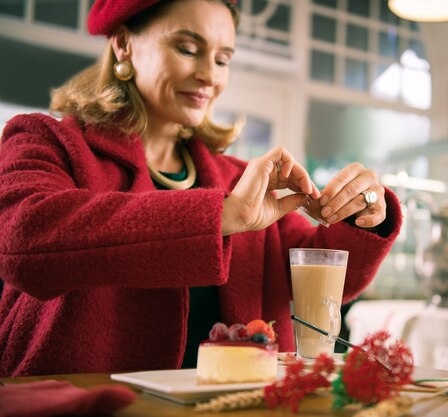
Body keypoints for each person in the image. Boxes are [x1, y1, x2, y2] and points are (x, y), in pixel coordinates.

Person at [0, 0, 402, 377]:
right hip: (88, 403)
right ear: (123, 45)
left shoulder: (235, 176)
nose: (210, 76)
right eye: (188, 49)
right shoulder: (45, 141)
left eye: (223, 59)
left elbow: (317, 278)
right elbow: (24, 241)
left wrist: (362, 216)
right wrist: (219, 216)